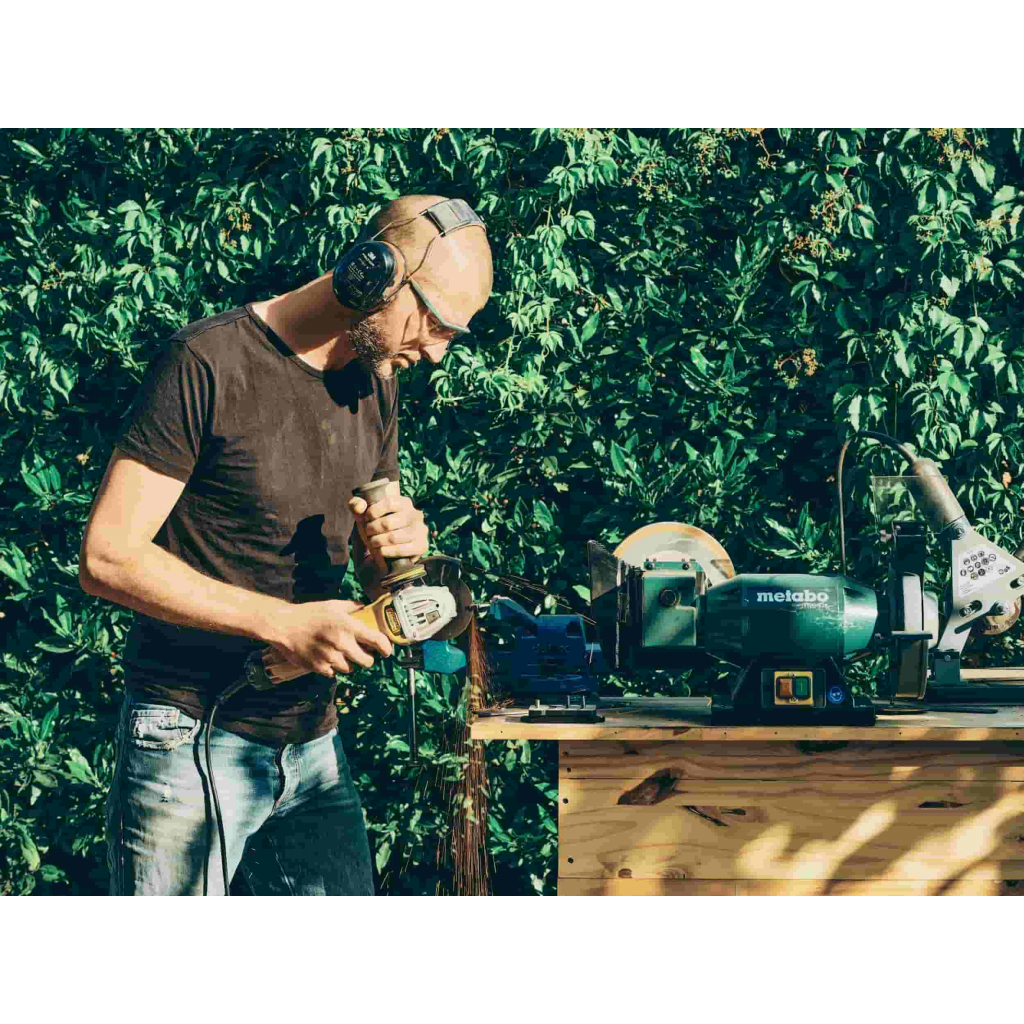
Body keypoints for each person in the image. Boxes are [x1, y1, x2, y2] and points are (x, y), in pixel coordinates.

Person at [79, 195, 493, 895]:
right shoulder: (207, 362)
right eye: (433, 323)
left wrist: (395, 552)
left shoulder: (375, 380)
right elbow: (107, 556)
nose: (437, 350)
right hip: (187, 738)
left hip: (310, 745)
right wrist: (283, 622)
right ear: (376, 273)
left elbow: (376, 573)